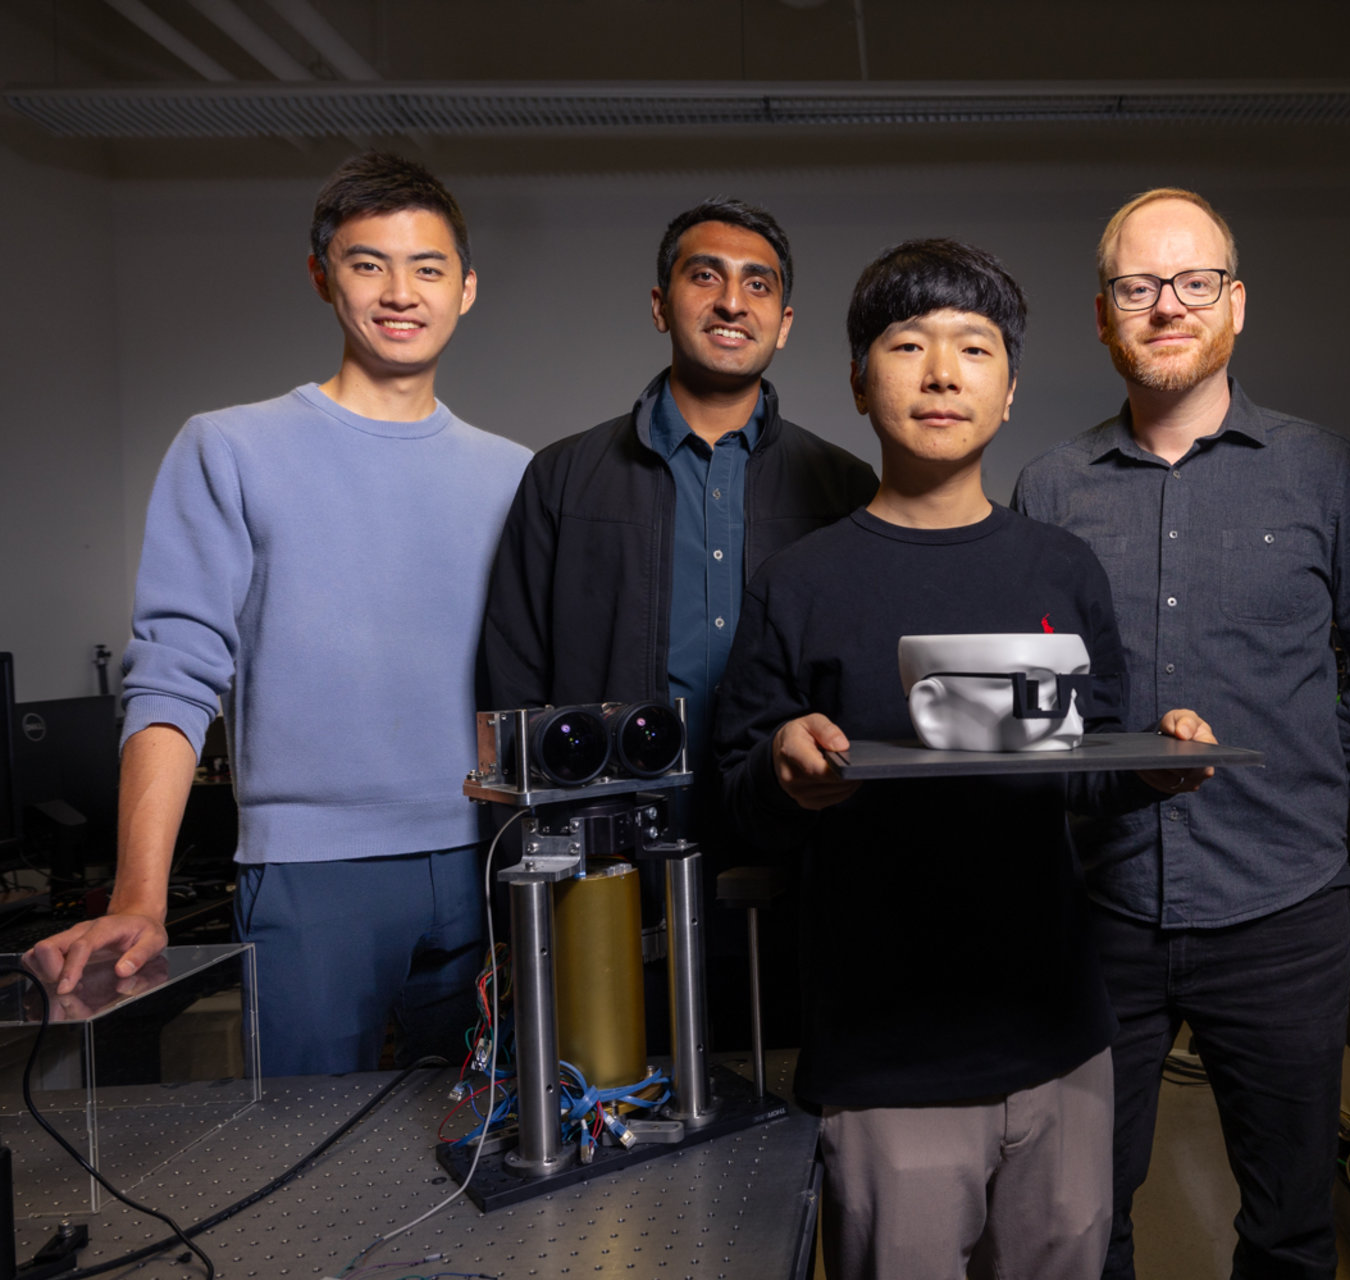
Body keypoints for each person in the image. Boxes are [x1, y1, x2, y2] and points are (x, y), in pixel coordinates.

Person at [713, 238, 1214, 1280]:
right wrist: (782, 769)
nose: (942, 373)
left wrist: (1151, 764)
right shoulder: (799, 581)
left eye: (973, 348)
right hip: (887, 1049)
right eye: (908, 344)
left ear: (1010, 385)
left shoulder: (1059, 566)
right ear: (859, 380)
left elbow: (1088, 762)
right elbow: (736, 786)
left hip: (1060, 1040)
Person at [32, 153, 532, 1075]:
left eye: (426, 268)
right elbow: (175, 676)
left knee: (484, 1161)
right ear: (321, 276)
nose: (399, 291)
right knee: (304, 1170)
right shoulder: (230, 448)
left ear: (465, 289)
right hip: (311, 879)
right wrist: (141, 897)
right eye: (366, 262)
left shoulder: (517, 475)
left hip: (484, 865)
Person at [1013, 188, 1350, 1280]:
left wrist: (1303, 787)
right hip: (1100, 910)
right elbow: (1030, 710)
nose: (1167, 306)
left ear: (1235, 305)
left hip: (1284, 913)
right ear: (1103, 316)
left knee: (1292, 1223)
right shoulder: (1050, 489)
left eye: (1194, 282)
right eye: (1138, 287)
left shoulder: (1324, 470)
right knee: (1080, 1219)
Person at [479, 198, 875, 1049]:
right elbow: (510, 687)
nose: (733, 302)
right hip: (607, 880)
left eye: (757, 285)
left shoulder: (841, 487)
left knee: (796, 1120)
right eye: (707, 276)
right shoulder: (563, 480)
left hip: (795, 870)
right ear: (661, 304)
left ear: (784, 320)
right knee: (619, 1120)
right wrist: (521, 898)